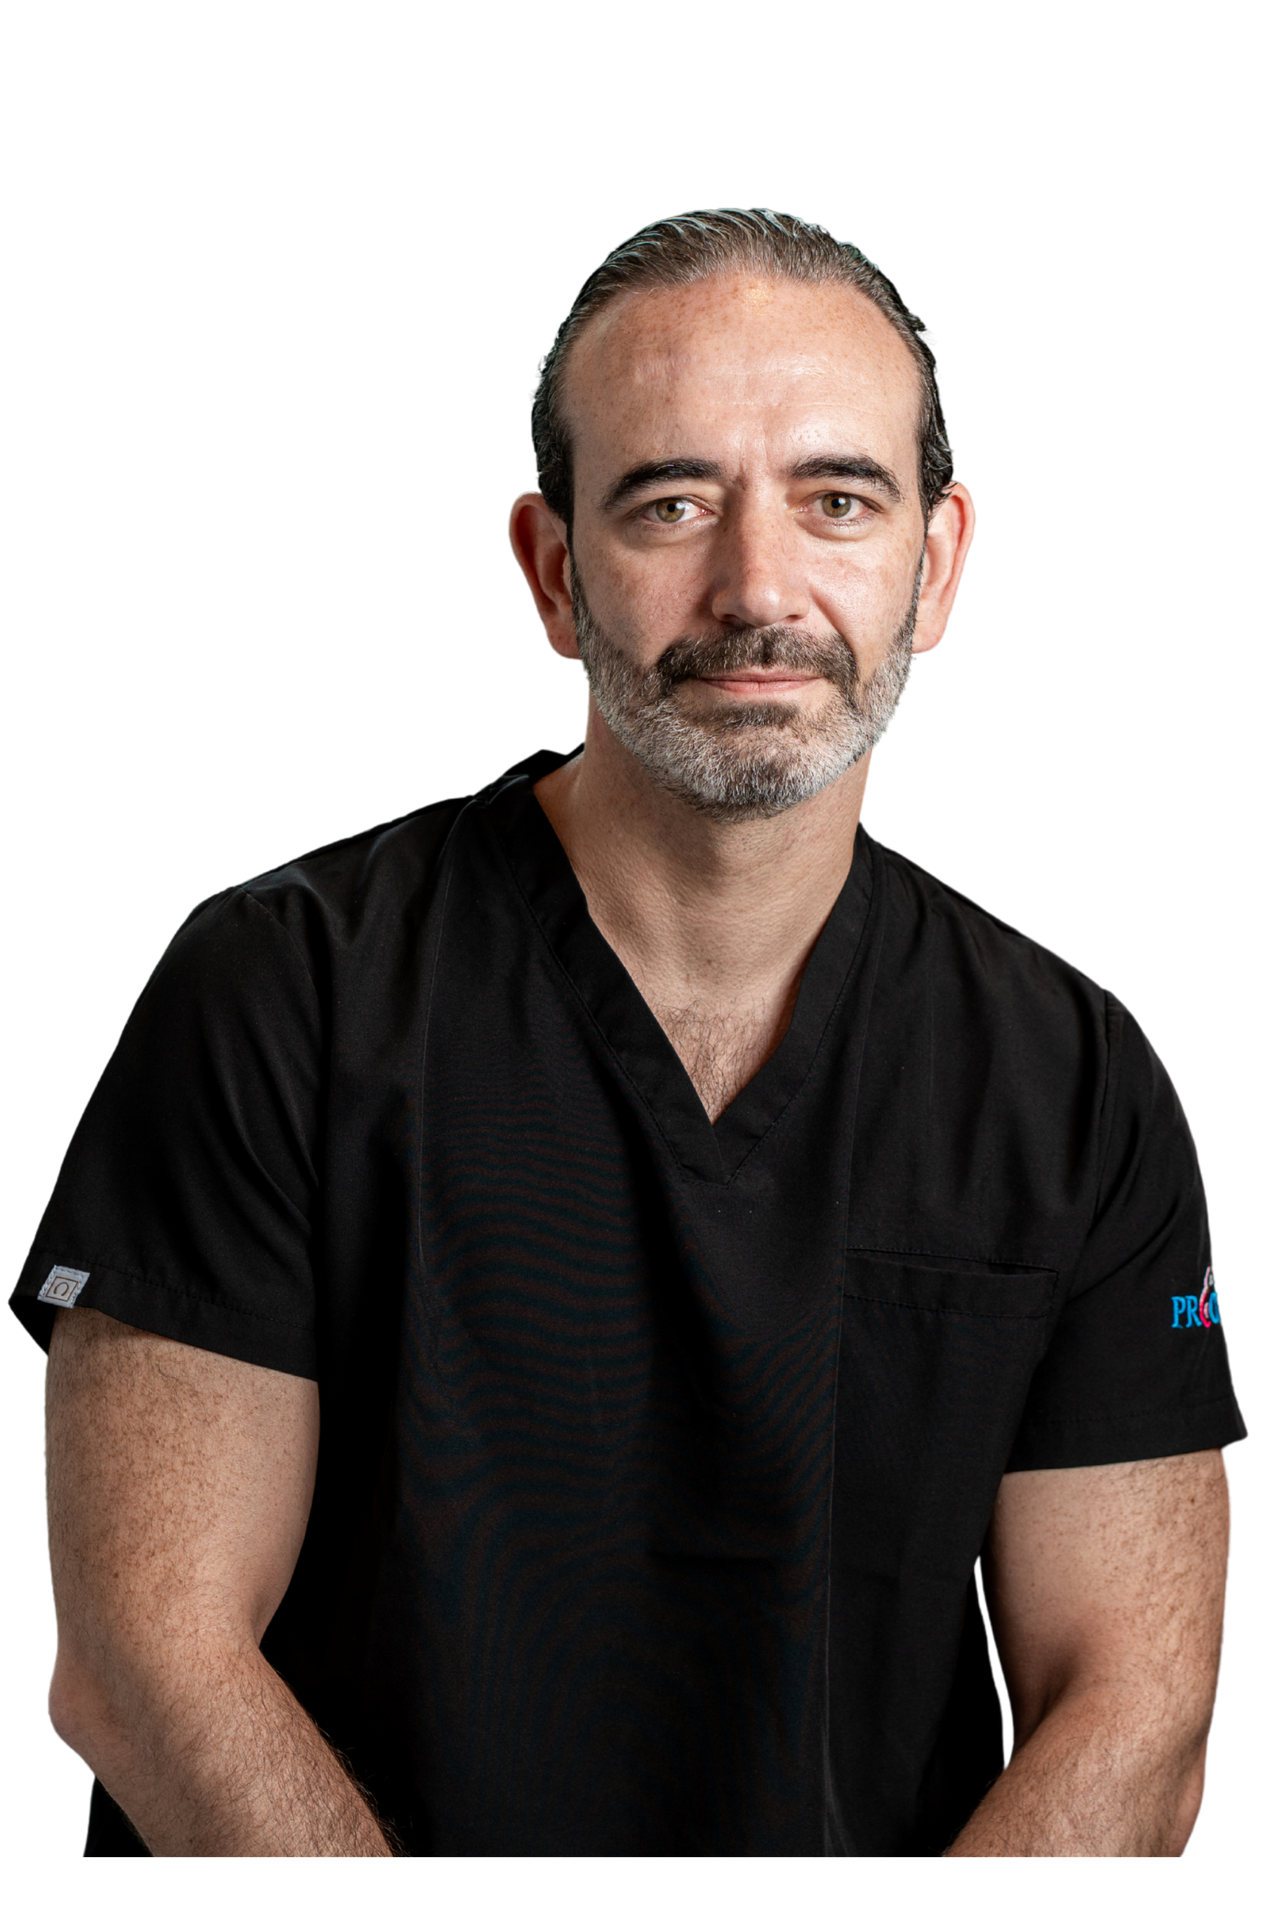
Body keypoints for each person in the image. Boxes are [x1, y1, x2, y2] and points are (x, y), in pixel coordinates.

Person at [18, 208, 1243, 1859]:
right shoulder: (284, 998)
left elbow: (1133, 1710)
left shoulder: (1072, 1084)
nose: (758, 590)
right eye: (670, 502)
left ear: (936, 565)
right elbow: (143, 1659)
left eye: (836, 500)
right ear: (550, 569)